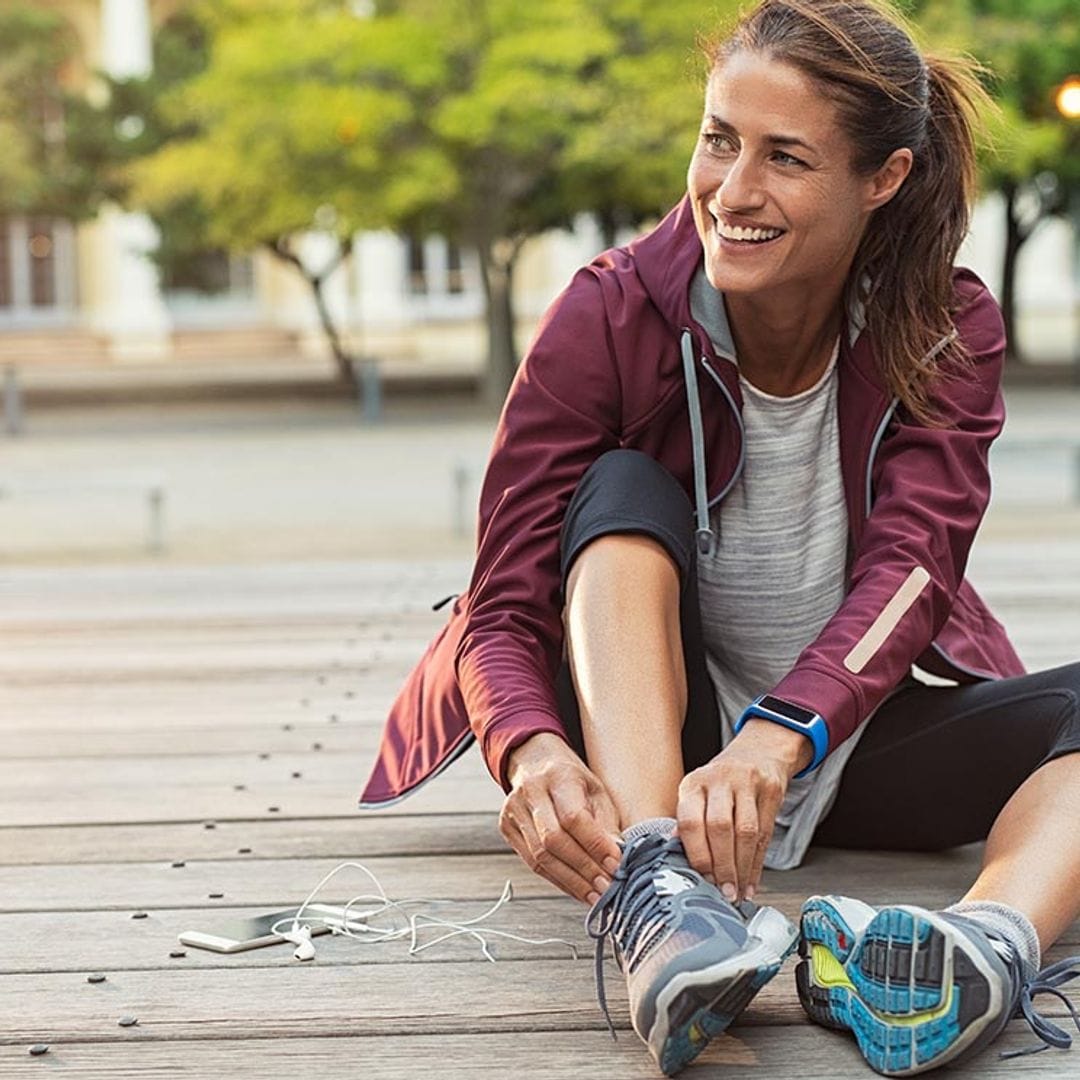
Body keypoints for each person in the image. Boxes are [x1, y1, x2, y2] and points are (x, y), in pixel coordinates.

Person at [360, 0, 1080, 1074]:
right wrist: (531, 746)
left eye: (786, 157)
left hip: (831, 742)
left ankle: (981, 949)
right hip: (655, 747)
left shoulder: (944, 325)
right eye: (719, 139)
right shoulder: (607, 315)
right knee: (618, 488)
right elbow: (502, 603)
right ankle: (660, 897)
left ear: (880, 179)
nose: (733, 192)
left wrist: (782, 736)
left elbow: (914, 570)